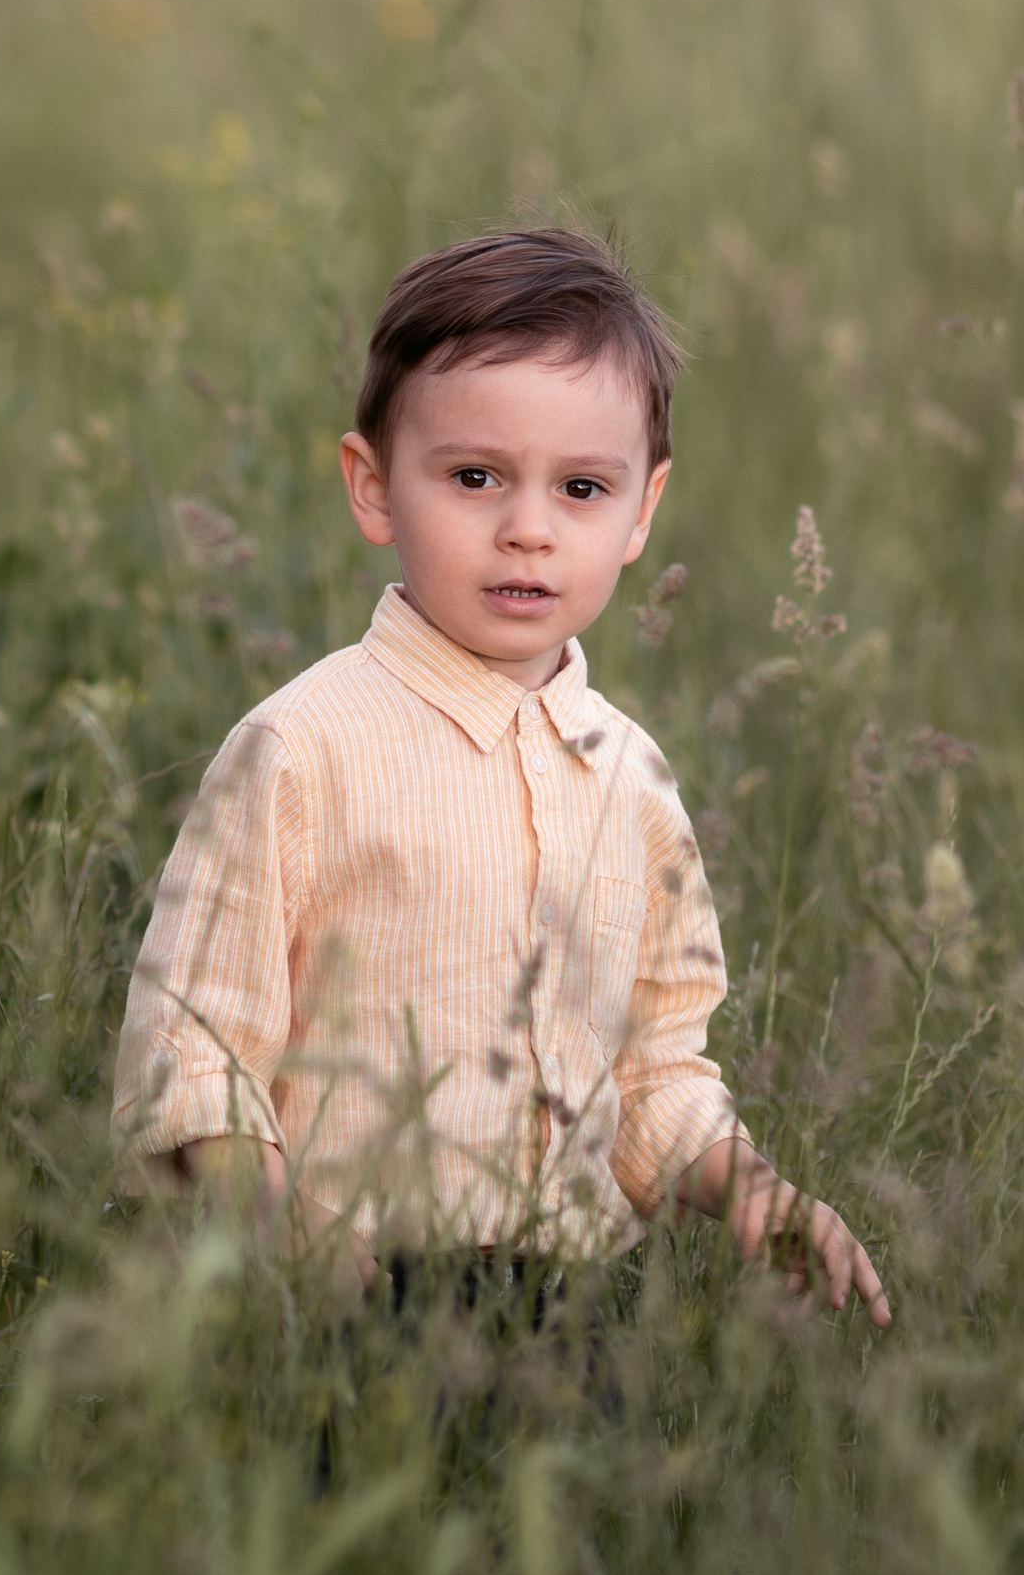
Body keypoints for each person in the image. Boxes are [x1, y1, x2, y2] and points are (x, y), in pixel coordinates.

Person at [112, 227, 891, 1329]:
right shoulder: (301, 748)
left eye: (580, 487)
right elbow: (193, 1053)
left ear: (642, 514)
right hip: (340, 1291)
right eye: (474, 477)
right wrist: (292, 1236)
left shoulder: (631, 782)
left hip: (564, 1318)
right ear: (373, 488)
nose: (527, 529)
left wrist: (753, 1189)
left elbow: (652, 1075)